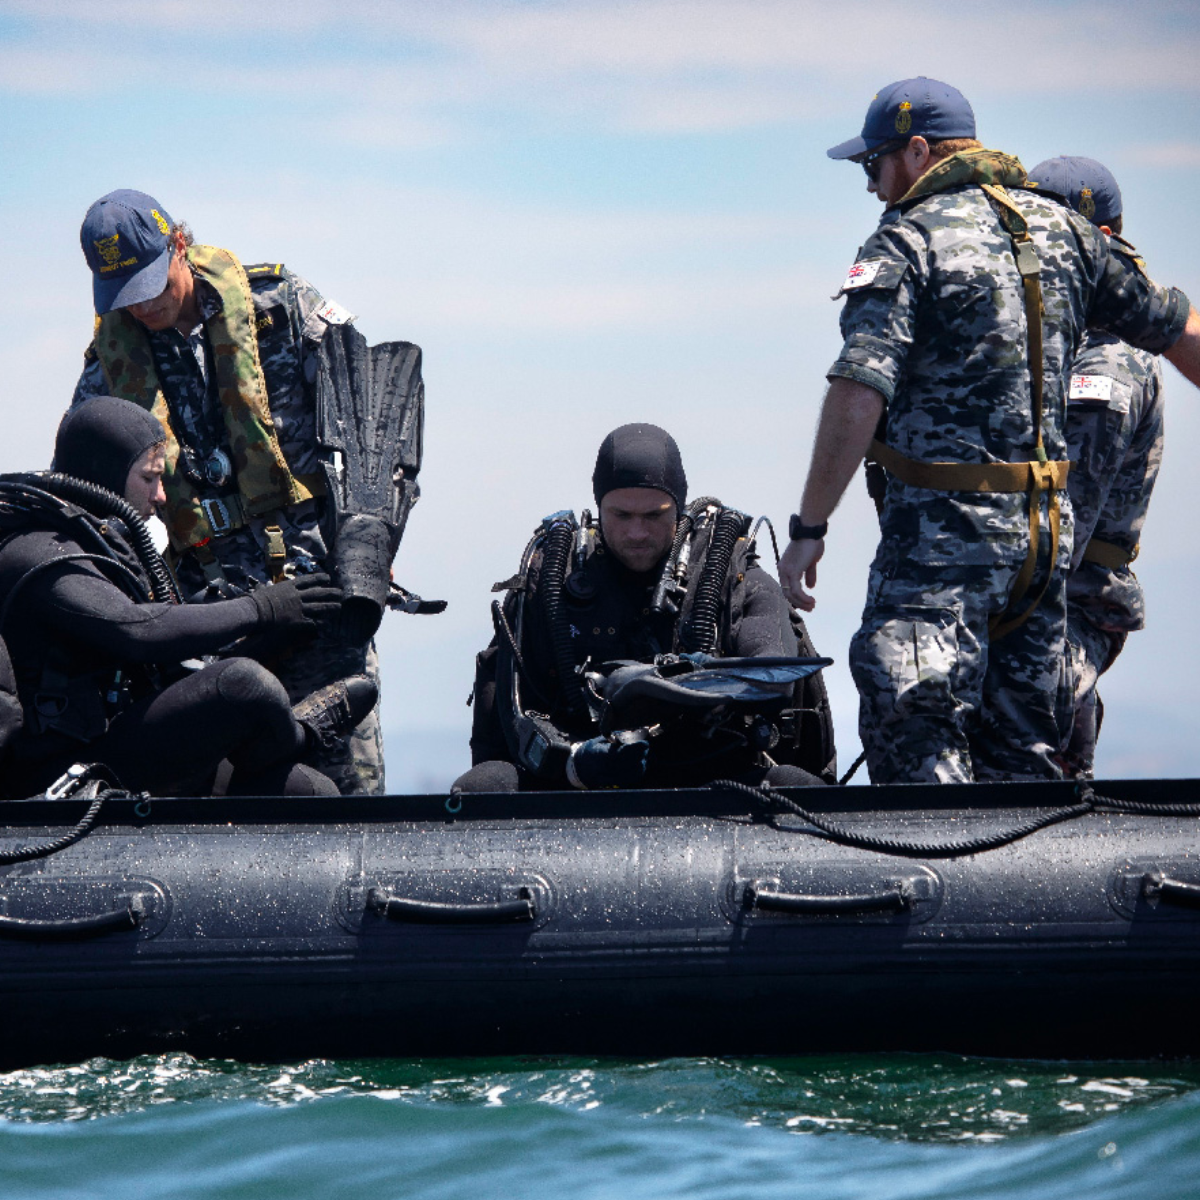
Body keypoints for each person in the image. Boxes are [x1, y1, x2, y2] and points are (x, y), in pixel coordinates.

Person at [777, 77, 1200, 784]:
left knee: (914, 734)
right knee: (1024, 759)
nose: (873, 185)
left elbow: (859, 390)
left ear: (916, 151)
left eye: (872, 165)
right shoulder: (1063, 231)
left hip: (943, 557)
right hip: (1041, 563)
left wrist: (809, 526)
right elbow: (1173, 326)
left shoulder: (909, 239)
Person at [72, 190, 418, 795]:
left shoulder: (281, 306)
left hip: (320, 604)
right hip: (212, 627)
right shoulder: (109, 359)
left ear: (178, 243)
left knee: (351, 802)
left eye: (150, 282)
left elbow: (374, 418)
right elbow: (87, 477)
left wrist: (366, 552)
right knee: (236, 816)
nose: (143, 305)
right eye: (124, 293)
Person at [0, 396, 376, 799]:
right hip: (57, 774)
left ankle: (279, 737)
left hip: (114, 746)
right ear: (103, 476)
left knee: (310, 793)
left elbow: (164, 663)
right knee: (242, 686)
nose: (161, 496)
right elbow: (137, 630)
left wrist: (274, 630)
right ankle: (300, 734)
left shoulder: (104, 550)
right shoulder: (38, 551)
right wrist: (262, 609)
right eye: (149, 478)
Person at [458, 423, 836, 792]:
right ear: (599, 508)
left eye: (654, 515)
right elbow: (512, 718)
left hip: (714, 778)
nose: (637, 533)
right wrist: (577, 762)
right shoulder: (553, 581)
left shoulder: (729, 572)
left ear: (679, 509)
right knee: (481, 788)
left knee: (795, 787)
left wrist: (675, 680)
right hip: (578, 778)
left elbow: (774, 674)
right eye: (621, 516)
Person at [1024, 157, 1162, 778]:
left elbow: (1062, 529)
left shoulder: (1103, 367)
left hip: (1065, 616)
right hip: (1040, 609)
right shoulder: (1059, 340)